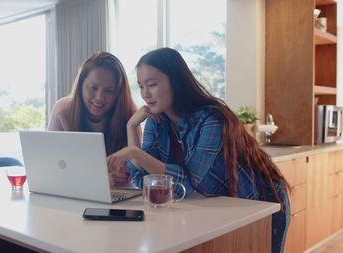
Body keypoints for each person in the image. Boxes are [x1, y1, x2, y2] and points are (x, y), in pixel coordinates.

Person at [107, 48, 290, 253]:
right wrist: (131, 128)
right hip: (217, 208)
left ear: (175, 82)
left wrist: (135, 152)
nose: (145, 94)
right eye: (141, 86)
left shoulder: (211, 120)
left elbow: (190, 183)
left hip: (258, 202)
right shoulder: (155, 123)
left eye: (152, 84)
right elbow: (148, 183)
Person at [48, 52, 138, 155]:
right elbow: (51, 157)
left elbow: (136, 166)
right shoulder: (63, 110)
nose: (99, 97)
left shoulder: (129, 113)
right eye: (93, 88)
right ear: (80, 86)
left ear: (118, 94)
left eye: (109, 91)